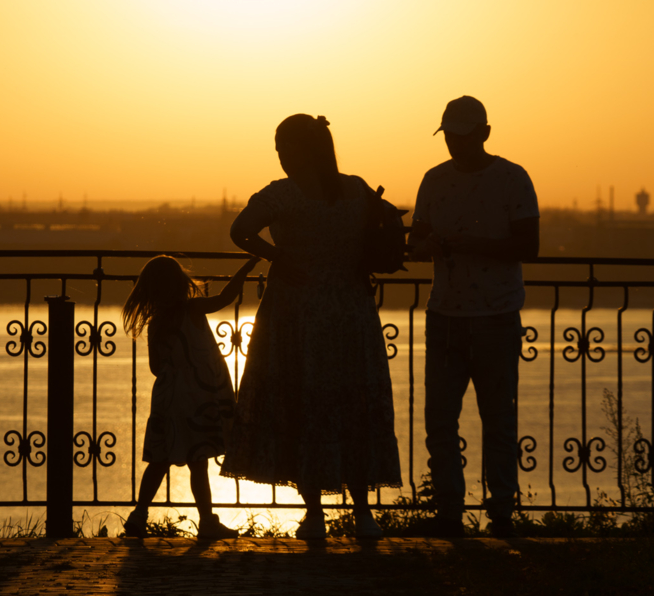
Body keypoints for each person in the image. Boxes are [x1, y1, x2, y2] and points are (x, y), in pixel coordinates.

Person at [220, 113, 402, 540]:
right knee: (351, 406)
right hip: (350, 312)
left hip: (295, 315)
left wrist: (276, 256)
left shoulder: (282, 195)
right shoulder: (356, 189)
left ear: (302, 150)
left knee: (300, 406)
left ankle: (315, 515)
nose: (281, 156)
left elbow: (239, 230)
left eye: (284, 147)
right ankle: (362, 513)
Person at [409, 95, 539, 537]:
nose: (455, 146)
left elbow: (529, 246)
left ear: (483, 134)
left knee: (498, 419)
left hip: (496, 317)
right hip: (446, 316)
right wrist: (425, 246)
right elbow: (418, 240)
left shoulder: (512, 178)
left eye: (462, 137)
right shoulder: (434, 180)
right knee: (440, 421)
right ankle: (451, 513)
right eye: (450, 138)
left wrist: (468, 244)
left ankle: (499, 512)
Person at [122, 253, 259, 540]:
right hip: (200, 397)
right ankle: (207, 521)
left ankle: (139, 514)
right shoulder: (194, 309)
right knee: (199, 462)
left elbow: (155, 368)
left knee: (159, 460)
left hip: (169, 398)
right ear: (181, 284)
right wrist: (247, 266)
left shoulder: (156, 322)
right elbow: (226, 297)